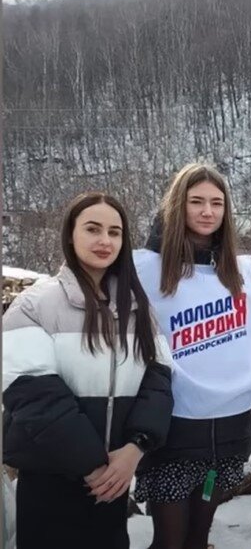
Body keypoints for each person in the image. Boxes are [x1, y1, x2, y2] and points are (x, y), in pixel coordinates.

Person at [2, 192, 174, 549]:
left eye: (114, 232)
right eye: (93, 229)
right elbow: (35, 397)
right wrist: (93, 466)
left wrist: (136, 448)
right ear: (70, 235)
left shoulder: (137, 309)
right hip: (51, 483)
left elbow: (157, 381)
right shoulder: (34, 305)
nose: (104, 240)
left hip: (115, 480)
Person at [133, 163, 251, 549]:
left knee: (198, 538)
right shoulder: (145, 269)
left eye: (217, 203)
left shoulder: (243, 273)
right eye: (196, 201)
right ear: (177, 205)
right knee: (169, 542)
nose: (207, 211)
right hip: (171, 434)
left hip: (228, 434)